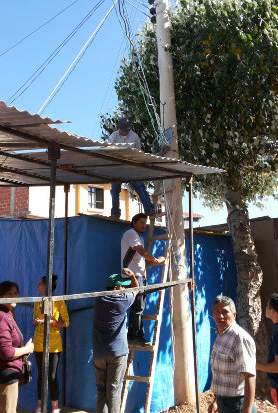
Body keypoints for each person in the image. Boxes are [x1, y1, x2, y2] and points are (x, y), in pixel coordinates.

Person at [92, 268, 138, 413]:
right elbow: (137, 289)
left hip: (99, 353)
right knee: (113, 391)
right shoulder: (122, 300)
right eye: (122, 286)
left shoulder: (98, 299)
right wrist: (132, 276)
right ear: (117, 287)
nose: (124, 289)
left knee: (101, 391)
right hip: (117, 354)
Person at [0, 281, 34, 413]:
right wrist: (27, 349)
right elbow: (6, 352)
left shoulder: (8, 314)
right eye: (9, 293)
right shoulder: (1, 316)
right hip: (3, 377)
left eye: (15, 293)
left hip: (6, 376)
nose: (13, 296)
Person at [122, 213, 165, 346]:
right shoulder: (131, 233)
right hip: (133, 277)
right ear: (133, 223)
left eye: (145, 223)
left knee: (137, 307)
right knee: (138, 308)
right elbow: (140, 251)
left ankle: (132, 336)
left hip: (138, 276)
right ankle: (137, 336)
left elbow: (138, 256)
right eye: (141, 222)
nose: (144, 225)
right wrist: (156, 260)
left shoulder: (139, 237)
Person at [208, 295, 256, 413]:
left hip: (238, 404)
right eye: (216, 312)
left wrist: (247, 410)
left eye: (225, 312)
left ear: (234, 315)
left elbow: (250, 375)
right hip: (224, 403)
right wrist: (216, 401)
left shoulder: (239, 338)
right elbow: (223, 377)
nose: (220, 316)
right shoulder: (221, 336)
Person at [33, 275, 69, 413]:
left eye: (40, 284)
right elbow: (33, 320)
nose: (37, 286)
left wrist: (51, 322)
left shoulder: (58, 301)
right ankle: (40, 405)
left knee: (51, 376)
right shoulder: (38, 301)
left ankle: (55, 407)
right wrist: (37, 321)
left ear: (46, 286)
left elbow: (66, 322)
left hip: (53, 344)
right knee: (41, 375)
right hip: (38, 342)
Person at [108, 117, 155, 218]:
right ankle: (115, 214)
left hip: (131, 166)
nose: (124, 132)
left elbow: (138, 153)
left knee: (140, 186)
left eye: (126, 131)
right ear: (118, 128)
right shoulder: (113, 137)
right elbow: (110, 153)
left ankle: (149, 209)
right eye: (122, 130)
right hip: (117, 167)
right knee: (115, 189)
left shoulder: (134, 137)